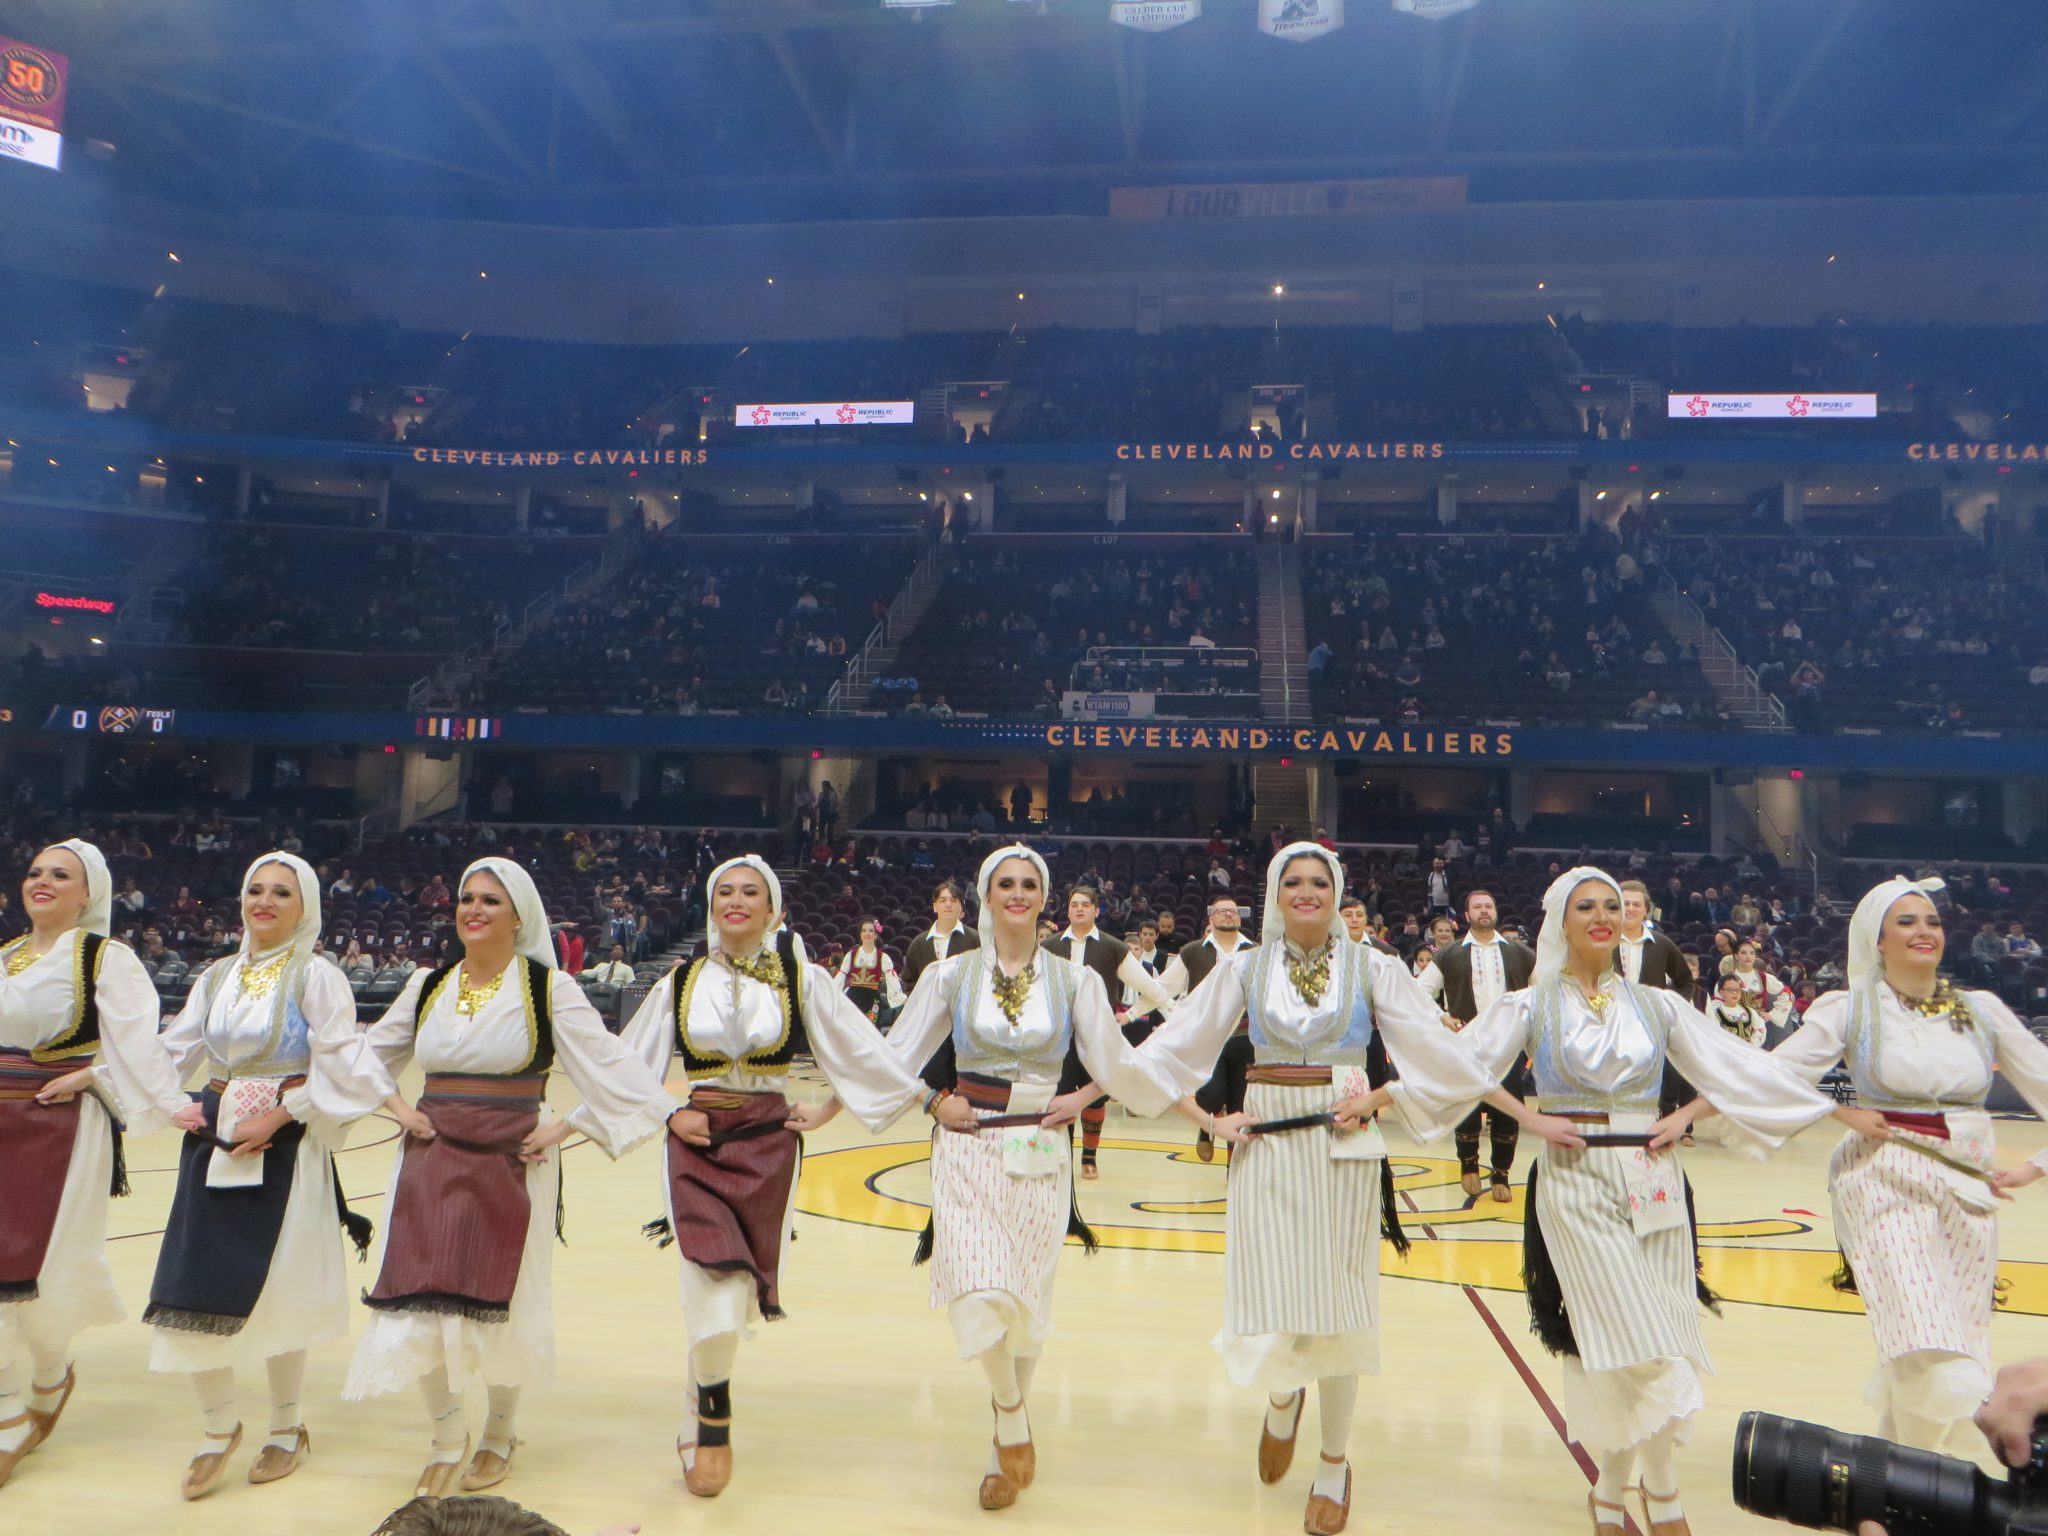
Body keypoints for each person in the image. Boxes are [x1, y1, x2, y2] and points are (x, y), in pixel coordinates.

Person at [1456, 868, 1868, 1536]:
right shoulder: (1529, 1004)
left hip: (1655, 1178)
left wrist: (1686, 1117)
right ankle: (1665, 1491)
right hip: (1575, 1177)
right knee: (1631, 1341)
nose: (1601, 915)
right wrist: (1530, 1119)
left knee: (1662, 1331)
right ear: (1560, 920)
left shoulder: (1659, 1004)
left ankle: (1614, 1494)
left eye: (1612, 906)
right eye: (1585, 906)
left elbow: (1742, 1070)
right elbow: (1460, 1064)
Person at [1151, 843, 1501, 1536]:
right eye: (1293, 881)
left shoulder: (1375, 966)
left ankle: (1335, 1462)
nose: (1306, 891)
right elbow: (1174, 1045)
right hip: (1265, 1138)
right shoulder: (1243, 968)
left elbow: (1441, 1055)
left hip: (1344, 1139)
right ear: (1276, 895)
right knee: (1279, 1292)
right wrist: (1206, 1117)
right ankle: (1284, 1396)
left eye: (1319, 881)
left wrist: (1387, 1094)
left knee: (1343, 1304)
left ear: (1335, 892)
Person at [883, 845, 1217, 1511]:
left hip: (1042, 1144)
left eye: (1029, 883)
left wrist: (1089, 1096)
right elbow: (892, 1057)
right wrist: (930, 1101)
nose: (1017, 892)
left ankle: (998, 1452)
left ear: (1045, 896)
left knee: (1027, 1304)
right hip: (968, 1140)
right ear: (986, 894)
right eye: (1005, 883)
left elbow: (1119, 1064)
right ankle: (1010, 1412)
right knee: (976, 1290)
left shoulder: (1076, 980)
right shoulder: (950, 975)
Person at [344, 859, 681, 1499]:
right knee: (416, 1294)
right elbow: (363, 1058)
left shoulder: (549, 989)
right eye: (466, 899)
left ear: (519, 916)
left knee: (505, 1298)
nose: (473, 909)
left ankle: (500, 1431)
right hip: (430, 1151)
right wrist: (397, 1107)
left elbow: (611, 1066)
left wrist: (566, 1127)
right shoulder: (428, 984)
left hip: (513, 1156)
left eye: (490, 901)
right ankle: (447, 1435)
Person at [618, 856, 924, 1497]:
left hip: (768, 1147)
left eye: (749, 892)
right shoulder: (678, 980)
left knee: (734, 1294)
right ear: (711, 907)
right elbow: (624, 1067)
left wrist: (900, 1101)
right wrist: (670, 1113)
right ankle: (714, 1416)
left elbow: (862, 1050)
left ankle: (695, 1386)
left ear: (772, 909)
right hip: (697, 1144)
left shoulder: (801, 978)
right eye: (723, 891)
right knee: (709, 1278)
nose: (735, 901)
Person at [144, 852, 398, 1498]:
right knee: (192, 1281)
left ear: (304, 905)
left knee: (280, 1287)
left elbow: (341, 1064)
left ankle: (286, 1427)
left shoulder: (317, 977)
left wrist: (284, 1114)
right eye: (254, 889)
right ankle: (216, 1428)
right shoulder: (217, 975)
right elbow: (174, 1050)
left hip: (285, 1146)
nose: (265, 901)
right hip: (217, 1138)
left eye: (281, 892)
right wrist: (165, 1101)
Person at [1770, 877, 2048, 1454]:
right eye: (1906, 921)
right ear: (1876, 939)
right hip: (1881, 1179)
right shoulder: (1850, 1008)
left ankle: (1892, 1497)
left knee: (1954, 1343)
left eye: (1932, 922)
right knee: (1930, 1344)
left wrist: (2037, 1166)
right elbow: (1769, 1076)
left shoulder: (1982, 1011)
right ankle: (2002, 1426)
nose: (1923, 931)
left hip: (1969, 1192)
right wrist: (1840, 1111)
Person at [0, 840, 198, 1490]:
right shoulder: (4, 955)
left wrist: (105, 1078)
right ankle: (32, 1394)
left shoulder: (104, 959)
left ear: (90, 894)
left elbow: (140, 1049)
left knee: (36, 1267)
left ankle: (23, 1405)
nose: (44, 882)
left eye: (61, 875)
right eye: (35, 873)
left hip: (59, 1128)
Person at [1043, 885, 1176, 1179]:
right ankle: (1060, 1156)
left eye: (1085, 904)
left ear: (1096, 910)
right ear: (1067, 910)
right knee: (1058, 1096)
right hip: (1058, 1037)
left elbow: (1152, 990)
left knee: (1096, 1097)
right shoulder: (1049, 947)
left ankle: (1089, 1157)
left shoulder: (1113, 947)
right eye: (1074, 904)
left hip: (1098, 1037)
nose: (1078, 908)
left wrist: (1129, 1015)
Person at [1415, 890, 1536, 1204]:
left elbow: (1543, 992)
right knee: (1467, 1108)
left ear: (1495, 911)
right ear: (1466, 916)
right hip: (1466, 1045)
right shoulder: (1449, 954)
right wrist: (1441, 1017)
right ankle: (1468, 1163)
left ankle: (1501, 1173)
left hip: (1508, 1046)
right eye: (1477, 907)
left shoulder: (1520, 952)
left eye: (1489, 906)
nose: (1484, 911)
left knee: (1508, 1111)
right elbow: (1418, 992)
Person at [1160, 893, 1259, 1164]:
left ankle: (1233, 1164)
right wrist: (1176, 1017)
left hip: (1245, 1037)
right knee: (1210, 1095)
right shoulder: (1192, 951)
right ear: (1210, 918)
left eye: (1233, 911)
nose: (1228, 914)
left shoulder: (1256, 952)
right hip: (1207, 1039)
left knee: (1241, 1102)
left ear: (1239, 918)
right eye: (1222, 910)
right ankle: (1206, 1129)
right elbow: (1163, 989)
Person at [902, 881, 978, 991]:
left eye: (953, 900)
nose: (948, 904)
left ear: (960, 906)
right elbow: (908, 982)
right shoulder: (918, 943)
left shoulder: (974, 939)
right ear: (934, 906)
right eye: (943, 900)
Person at [835, 919, 905, 1032]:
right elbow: (841, 976)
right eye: (864, 930)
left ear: (875, 935)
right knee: (851, 1031)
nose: (867, 933)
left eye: (871, 931)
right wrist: (831, 992)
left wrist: (898, 996)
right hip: (853, 997)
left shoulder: (883, 957)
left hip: (872, 999)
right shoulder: (851, 955)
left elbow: (891, 978)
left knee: (870, 1031)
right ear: (860, 934)